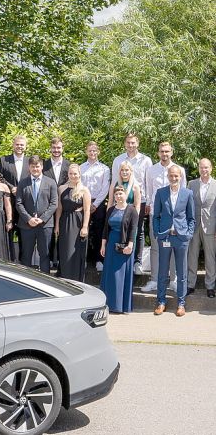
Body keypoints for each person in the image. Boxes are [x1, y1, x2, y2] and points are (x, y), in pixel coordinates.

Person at [142, 141, 186, 293]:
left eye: (167, 151)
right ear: (158, 153)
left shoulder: (179, 170)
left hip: (174, 216)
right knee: (156, 248)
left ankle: (173, 280)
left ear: (171, 152)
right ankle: (154, 279)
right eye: (162, 151)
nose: (164, 154)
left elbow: (184, 193)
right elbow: (148, 190)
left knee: (174, 247)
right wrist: (148, 204)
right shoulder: (151, 170)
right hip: (157, 214)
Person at [152, 165, 195, 317]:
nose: (174, 178)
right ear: (168, 176)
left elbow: (191, 218)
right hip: (165, 236)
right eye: (171, 175)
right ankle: (161, 302)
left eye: (176, 176)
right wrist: (158, 233)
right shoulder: (161, 192)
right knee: (163, 272)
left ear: (180, 177)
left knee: (182, 272)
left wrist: (188, 234)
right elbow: (155, 215)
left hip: (181, 238)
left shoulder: (188, 193)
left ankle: (181, 303)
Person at [110, 133, 152, 274]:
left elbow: (148, 182)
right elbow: (115, 183)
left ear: (137, 144)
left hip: (138, 199)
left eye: (133, 142)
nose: (130, 145)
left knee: (138, 230)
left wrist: (148, 202)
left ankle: (137, 262)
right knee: (120, 229)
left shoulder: (146, 160)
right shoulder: (118, 160)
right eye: (128, 142)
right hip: (120, 200)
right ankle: (121, 256)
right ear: (125, 144)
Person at [15, 155, 59, 273]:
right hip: (26, 225)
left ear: (42, 166)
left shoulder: (51, 183)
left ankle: (45, 282)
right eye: (33, 166)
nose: (35, 169)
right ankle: (25, 281)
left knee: (45, 254)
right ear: (29, 167)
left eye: (37, 166)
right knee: (26, 255)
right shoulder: (23, 183)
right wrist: (28, 219)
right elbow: (18, 203)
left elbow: (54, 203)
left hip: (45, 225)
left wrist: (42, 219)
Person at [100, 186, 138, 314]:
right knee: (110, 274)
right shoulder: (110, 210)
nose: (118, 196)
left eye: (121, 194)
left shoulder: (132, 210)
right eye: (116, 194)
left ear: (125, 195)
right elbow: (106, 229)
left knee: (121, 275)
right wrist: (103, 245)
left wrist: (130, 245)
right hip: (111, 245)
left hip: (125, 246)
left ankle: (120, 305)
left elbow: (133, 229)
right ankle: (109, 303)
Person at [55, 164, 91, 282]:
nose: (73, 176)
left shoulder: (84, 190)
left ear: (79, 174)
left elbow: (87, 210)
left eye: (75, 173)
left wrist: (85, 227)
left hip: (78, 222)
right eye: (71, 173)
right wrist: (56, 225)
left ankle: (76, 280)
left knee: (75, 253)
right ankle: (64, 279)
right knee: (65, 252)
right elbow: (59, 208)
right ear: (68, 174)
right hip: (64, 222)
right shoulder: (61, 188)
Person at [80, 141, 111, 271]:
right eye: (90, 150)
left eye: (94, 150)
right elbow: (79, 186)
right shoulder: (81, 168)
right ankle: (83, 259)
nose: (92, 153)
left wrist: (95, 204)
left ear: (98, 152)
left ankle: (99, 259)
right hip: (83, 202)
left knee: (99, 232)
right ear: (86, 152)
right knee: (83, 230)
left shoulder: (104, 168)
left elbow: (105, 188)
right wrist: (86, 203)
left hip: (98, 204)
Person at [188, 158, 216, 297]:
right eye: (201, 167)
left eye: (206, 167)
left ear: (211, 168)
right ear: (198, 168)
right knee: (191, 256)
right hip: (194, 226)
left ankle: (210, 286)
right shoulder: (191, 184)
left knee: (210, 258)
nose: (204, 170)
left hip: (211, 226)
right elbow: (187, 206)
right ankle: (190, 285)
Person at [0, 135, 29, 261]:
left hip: (26, 203)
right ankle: (8, 259)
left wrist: (20, 189)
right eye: (17, 144)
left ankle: (24, 260)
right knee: (8, 231)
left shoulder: (30, 161)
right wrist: (11, 188)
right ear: (13, 145)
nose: (19, 147)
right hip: (8, 202)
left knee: (25, 233)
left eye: (22, 144)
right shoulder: (4, 160)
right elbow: (0, 177)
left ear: (25, 146)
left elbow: (34, 177)